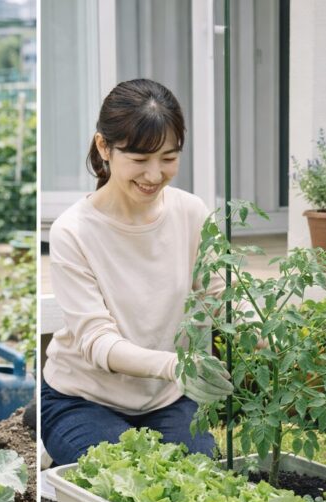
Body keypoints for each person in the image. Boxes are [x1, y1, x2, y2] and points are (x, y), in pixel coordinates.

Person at [41, 78, 233, 465]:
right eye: (140, 159)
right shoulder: (73, 231)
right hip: (83, 400)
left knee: (198, 478)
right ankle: (48, 425)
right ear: (104, 148)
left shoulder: (191, 213)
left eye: (168, 157)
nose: (154, 174)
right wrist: (177, 366)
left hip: (166, 401)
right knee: (126, 483)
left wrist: (266, 338)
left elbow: (219, 301)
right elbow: (98, 342)